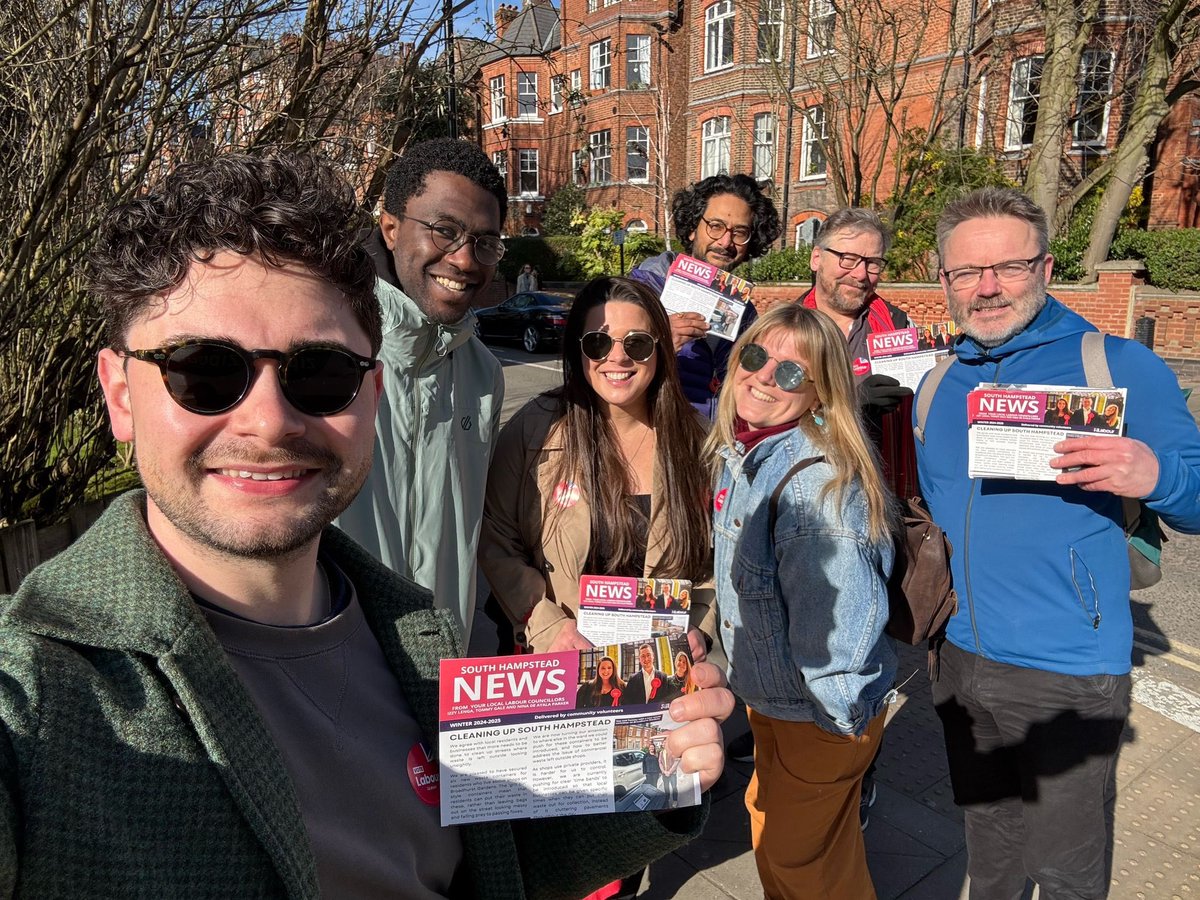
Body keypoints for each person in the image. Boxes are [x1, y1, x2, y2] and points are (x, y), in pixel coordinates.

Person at [0, 151, 736, 898]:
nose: (267, 421)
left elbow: (484, 864)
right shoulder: (41, 690)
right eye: (205, 370)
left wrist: (658, 770)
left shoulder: (410, 639)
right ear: (119, 393)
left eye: (318, 373)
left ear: (369, 391)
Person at [916, 186, 1200, 900]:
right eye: (966, 273)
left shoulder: (1119, 366)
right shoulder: (938, 381)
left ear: (1044, 268)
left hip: (1066, 668)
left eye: (1008, 267)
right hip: (957, 659)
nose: (987, 288)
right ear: (943, 282)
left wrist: (1156, 475)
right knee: (992, 855)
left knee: (1067, 871)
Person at [706, 304, 897, 899]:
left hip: (815, 712)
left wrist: (838, 725)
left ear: (821, 394)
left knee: (795, 864)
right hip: (778, 700)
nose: (765, 378)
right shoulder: (751, 453)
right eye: (758, 358)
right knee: (816, 858)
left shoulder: (813, 483)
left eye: (793, 374)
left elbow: (841, 623)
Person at [479, 276, 717, 656]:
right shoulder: (534, 428)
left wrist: (700, 625)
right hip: (558, 662)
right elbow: (496, 537)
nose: (618, 358)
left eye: (637, 343)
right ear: (578, 350)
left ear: (659, 351)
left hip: (658, 666)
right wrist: (546, 625)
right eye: (598, 342)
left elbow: (719, 557)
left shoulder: (698, 442)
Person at [334, 138, 506, 640]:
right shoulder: (324, 350)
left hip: (446, 677)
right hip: (338, 667)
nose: (466, 260)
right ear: (390, 227)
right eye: (445, 231)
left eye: (486, 242)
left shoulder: (484, 374)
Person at [630, 174, 782, 417]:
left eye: (740, 232)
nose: (725, 242)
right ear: (692, 229)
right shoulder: (640, 292)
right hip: (657, 433)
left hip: (717, 444)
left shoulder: (745, 311)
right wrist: (656, 343)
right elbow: (608, 370)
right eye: (715, 226)